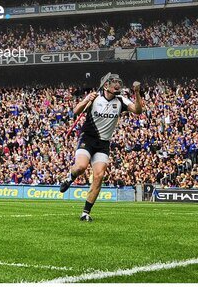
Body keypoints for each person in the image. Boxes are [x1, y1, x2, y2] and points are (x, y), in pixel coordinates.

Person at [58, 72, 143, 221]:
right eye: (114, 82)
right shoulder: (94, 97)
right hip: (88, 139)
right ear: (106, 85)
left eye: (119, 82)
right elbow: (76, 111)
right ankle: (69, 177)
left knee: (98, 176)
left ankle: (85, 212)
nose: (118, 85)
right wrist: (86, 102)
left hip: (103, 144)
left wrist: (136, 93)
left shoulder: (121, 100)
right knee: (80, 167)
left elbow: (137, 110)